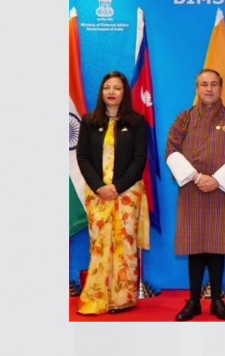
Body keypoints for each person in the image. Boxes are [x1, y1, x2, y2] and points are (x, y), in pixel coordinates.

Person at [165, 69, 225, 321]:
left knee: (217, 247)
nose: (209, 89)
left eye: (214, 84)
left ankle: (217, 301)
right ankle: (193, 301)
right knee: (194, 247)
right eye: (204, 84)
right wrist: (195, 177)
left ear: (221, 88)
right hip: (192, 189)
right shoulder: (184, 118)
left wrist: (217, 180)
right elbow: (171, 149)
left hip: (221, 191)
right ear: (197, 88)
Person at [76, 70, 149, 315]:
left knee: (124, 243)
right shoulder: (89, 121)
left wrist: (117, 187)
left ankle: (122, 298)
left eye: (117, 88)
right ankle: (97, 296)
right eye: (107, 87)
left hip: (127, 193)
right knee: (99, 244)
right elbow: (83, 157)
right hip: (98, 194)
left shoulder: (137, 122)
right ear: (101, 91)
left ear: (124, 92)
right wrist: (100, 187)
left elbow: (139, 160)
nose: (111, 92)